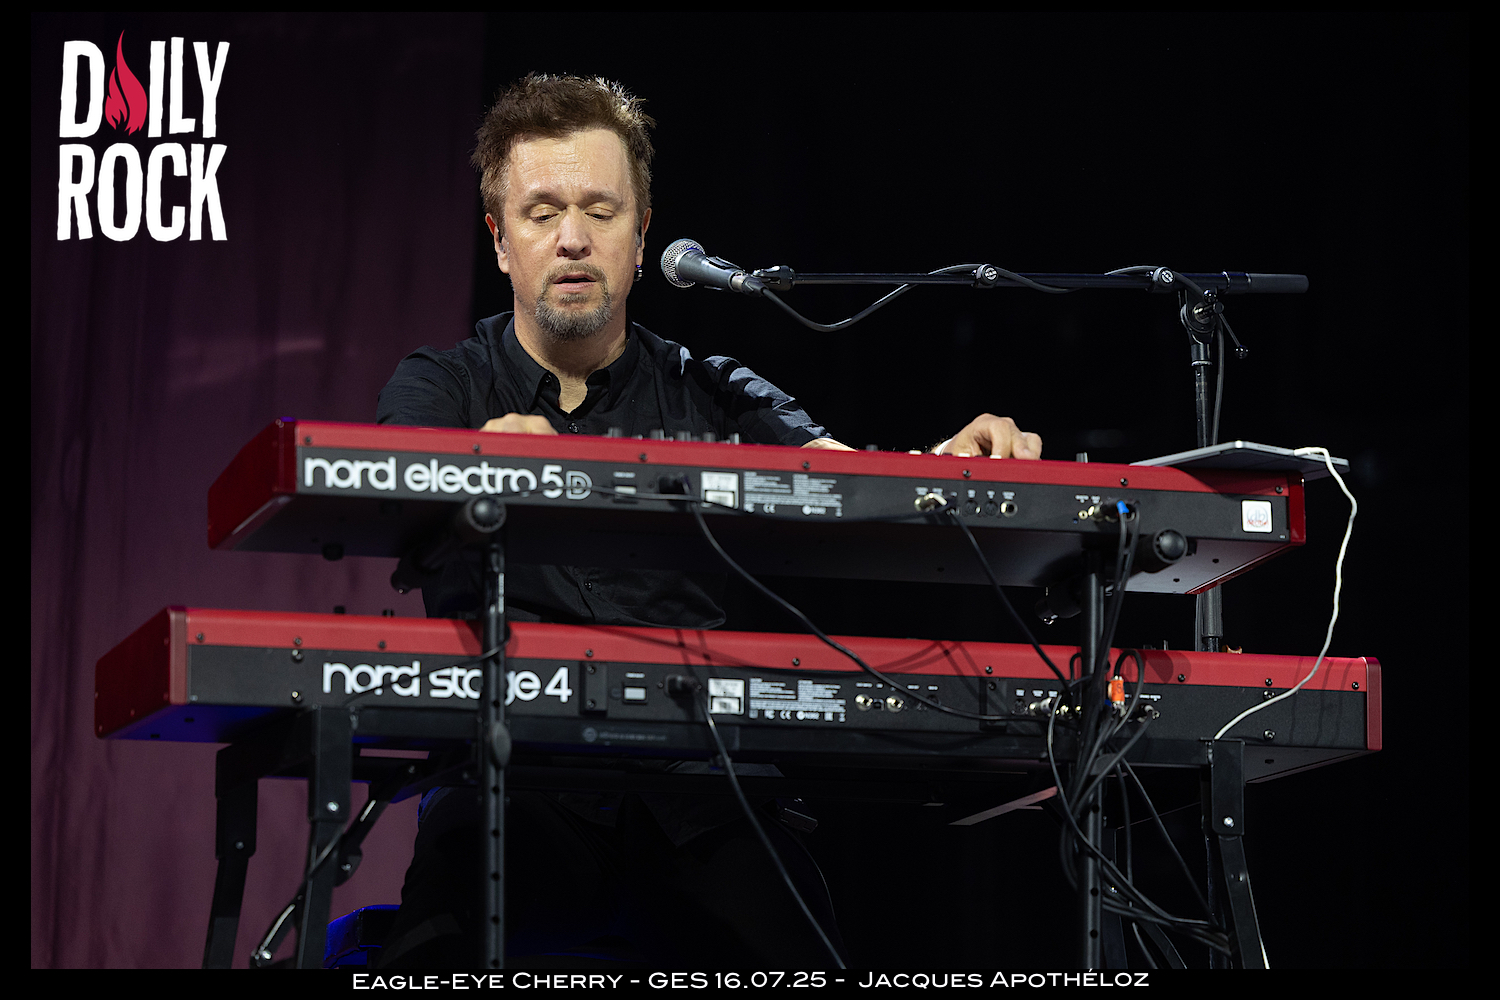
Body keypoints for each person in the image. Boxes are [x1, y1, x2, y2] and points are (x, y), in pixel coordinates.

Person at [374, 73, 1043, 968]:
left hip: (698, 788)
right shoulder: (441, 384)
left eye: (601, 211)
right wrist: (478, 460)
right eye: (542, 213)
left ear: (642, 235)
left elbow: (861, 484)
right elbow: (396, 491)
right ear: (499, 240)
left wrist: (951, 464)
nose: (572, 238)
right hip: (510, 778)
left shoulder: (716, 388)